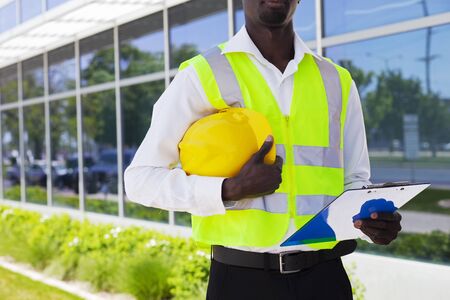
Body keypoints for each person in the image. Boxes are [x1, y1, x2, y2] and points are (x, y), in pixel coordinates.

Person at [124, 0, 402, 299]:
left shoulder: (336, 80)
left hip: (326, 279)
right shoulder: (202, 74)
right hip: (241, 282)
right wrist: (228, 189)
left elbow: (355, 179)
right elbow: (140, 180)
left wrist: (372, 223)